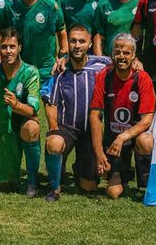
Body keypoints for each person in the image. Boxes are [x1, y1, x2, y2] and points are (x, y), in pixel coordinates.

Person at [43, 25, 111, 202]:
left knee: (89, 187)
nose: (77, 45)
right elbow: (51, 103)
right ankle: (55, 187)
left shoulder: (101, 65)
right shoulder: (60, 71)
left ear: (89, 43)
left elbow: (123, 64)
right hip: (68, 129)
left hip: (91, 131)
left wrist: (136, 62)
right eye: (73, 41)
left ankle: (79, 168)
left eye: (82, 41)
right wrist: (54, 130)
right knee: (54, 143)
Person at [89, 33, 156, 199]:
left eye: (126, 53)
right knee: (113, 192)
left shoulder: (142, 78)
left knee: (146, 141)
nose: (121, 57)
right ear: (112, 54)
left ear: (134, 55)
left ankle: (146, 186)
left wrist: (123, 136)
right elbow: (95, 116)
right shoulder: (104, 76)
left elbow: (147, 119)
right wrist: (99, 154)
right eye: (117, 52)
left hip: (132, 137)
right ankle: (124, 174)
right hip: (113, 141)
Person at [0, 28, 42, 197]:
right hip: (1, 124)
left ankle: (32, 181)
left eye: (12, 46)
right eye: (4, 47)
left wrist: (16, 105)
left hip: (21, 120)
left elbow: (33, 110)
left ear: (20, 47)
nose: (8, 51)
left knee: (32, 128)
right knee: (6, 182)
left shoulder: (30, 72)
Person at [8, 0, 67, 81]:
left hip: (46, 71)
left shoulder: (51, 6)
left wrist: (63, 57)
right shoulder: (11, 5)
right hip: (19, 70)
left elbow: (62, 31)